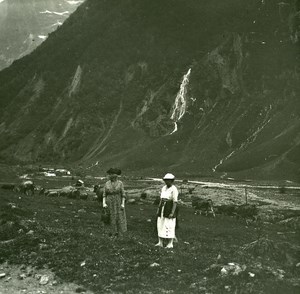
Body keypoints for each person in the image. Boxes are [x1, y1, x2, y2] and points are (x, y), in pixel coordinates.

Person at [156, 173, 179, 248]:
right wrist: (158, 209)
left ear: (172, 181)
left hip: (169, 207)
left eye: (168, 180)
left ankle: (170, 243)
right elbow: (161, 199)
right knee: (160, 223)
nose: (166, 182)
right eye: (165, 180)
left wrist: (172, 212)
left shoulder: (174, 189)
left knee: (169, 225)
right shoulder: (163, 188)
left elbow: (175, 202)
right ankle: (160, 242)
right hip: (162, 207)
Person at [103, 168, 127, 237]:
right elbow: (104, 194)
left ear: (115, 175)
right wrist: (104, 203)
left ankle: (119, 233)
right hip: (109, 202)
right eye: (109, 174)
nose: (109, 176)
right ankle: (111, 232)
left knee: (119, 217)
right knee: (110, 217)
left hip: (118, 202)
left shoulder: (120, 183)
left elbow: (123, 194)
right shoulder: (107, 183)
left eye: (110, 174)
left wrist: (122, 204)